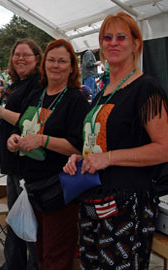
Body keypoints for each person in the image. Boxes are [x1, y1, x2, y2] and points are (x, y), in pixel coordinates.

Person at [63, 12, 168, 270]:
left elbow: (164, 148)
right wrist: (82, 157)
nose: (113, 42)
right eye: (107, 37)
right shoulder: (102, 93)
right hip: (93, 204)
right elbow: (101, 144)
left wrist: (108, 159)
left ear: (136, 44)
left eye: (122, 37)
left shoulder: (146, 88)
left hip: (127, 208)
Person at [7, 39, 90, 270]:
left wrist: (43, 140)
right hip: (34, 189)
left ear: (72, 67)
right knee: (41, 254)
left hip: (60, 191)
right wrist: (13, 139)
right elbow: (20, 126)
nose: (55, 65)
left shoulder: (76, 100)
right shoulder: (38, 95)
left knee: (56, 257)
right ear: (43, 65)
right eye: (51, 60)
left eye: (62, 61)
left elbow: (79, 147)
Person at [0, 38, 43, 270]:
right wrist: (1, 91)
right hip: (12, 162)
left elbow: (30, 120)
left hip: (26, 163)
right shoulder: (17, 84)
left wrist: (1, 111)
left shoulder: (38, 85)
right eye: (16, 55)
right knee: (15, 217)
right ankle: (12, 264)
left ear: (37, 59)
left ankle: (29, 265)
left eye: (26, 55)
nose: (20, 58)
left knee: (27, 220)